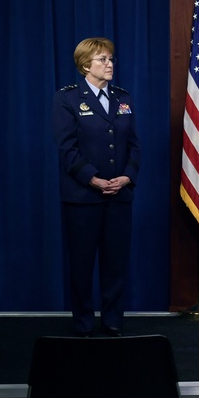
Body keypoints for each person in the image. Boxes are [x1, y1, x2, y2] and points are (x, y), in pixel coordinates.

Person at [52, 38, 140, 336]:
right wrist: (93, 178)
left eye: (111, 59)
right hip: (83, 197)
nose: (110, 64)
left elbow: (133, 145)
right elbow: (67, 149)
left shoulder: (123, 98)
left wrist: (127, 176)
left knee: (116, 263)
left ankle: (113, 319)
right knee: (82, 262)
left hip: (119, 196)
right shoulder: (67, 99)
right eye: (103, 59)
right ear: (85, 65)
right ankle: (83, 321)